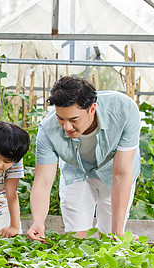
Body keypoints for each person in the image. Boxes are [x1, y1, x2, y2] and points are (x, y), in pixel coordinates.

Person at [27, 75, 141, 242]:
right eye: (60, 118)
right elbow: (43, 182)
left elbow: (121, 173)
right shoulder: (47, 129)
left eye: (74, 120)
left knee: (111, 235)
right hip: (77, 171)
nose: (67, 127)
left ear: (92, 109)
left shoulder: (124, 110)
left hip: (113, 171)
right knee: (77, 237)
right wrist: (38, 222)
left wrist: (118, 231)